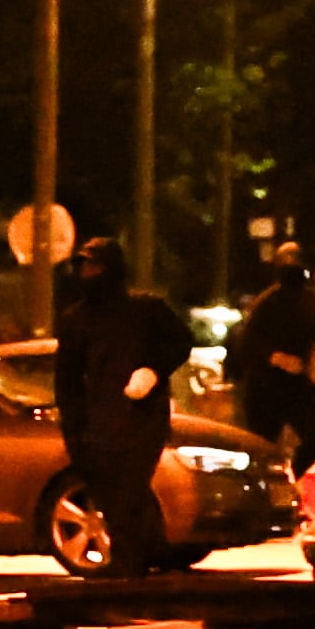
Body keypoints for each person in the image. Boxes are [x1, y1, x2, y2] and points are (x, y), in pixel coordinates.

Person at [59, 238, 196, 575]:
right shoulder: (76, 320)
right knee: (111, 497)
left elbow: (181, 341)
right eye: (84, 266)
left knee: (129, 491)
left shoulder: (145, 310)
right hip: (98, 422)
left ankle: (130, 564)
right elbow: (67, 379)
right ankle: (146, 557)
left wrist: (152, 369)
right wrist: (74, 427)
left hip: (141, 420)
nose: (89, 273)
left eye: (96, 266)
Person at [228, 245, 315, 477]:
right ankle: (265, 497)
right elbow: (245, 343)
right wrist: (274, 357)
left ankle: (290, 479)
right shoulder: (267, 302)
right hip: (266, 386)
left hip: (296, 385)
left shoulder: (308, 300)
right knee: (262, 448)